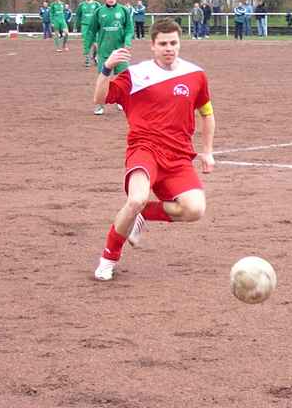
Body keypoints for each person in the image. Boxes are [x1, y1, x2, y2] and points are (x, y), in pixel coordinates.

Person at [91, 17, 216, 281]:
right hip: (144, 149)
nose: (169, 48)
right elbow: (100, 98)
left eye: (173, 43)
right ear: (153, 46)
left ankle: (143, 214)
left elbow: (207, 114)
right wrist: (106, 68)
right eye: (163, 44)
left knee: (195, 210)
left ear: (179, 43)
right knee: (135, 198)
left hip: (179, 156)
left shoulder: (195, 75)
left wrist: (207, 151)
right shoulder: (135, 74)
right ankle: (108, 258)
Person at [88, 0, 134, 116]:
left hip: (120, 51)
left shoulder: (124, 11)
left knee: (122, 78)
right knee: (104, 78)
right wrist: (91, 45)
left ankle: (121, 101)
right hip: (104, 51)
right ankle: (99, 105)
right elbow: (92, 29)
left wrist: (128, 42)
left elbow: (129, 29)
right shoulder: (99, 11)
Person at [74, 0, 100, 67]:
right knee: (86, 43)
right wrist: (76, 26)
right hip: (85, 26)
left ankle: (95, 57)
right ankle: (87, 59)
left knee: (96, 44)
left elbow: (101, 15)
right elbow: (78, 16)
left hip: (94, 26)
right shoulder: (81, 5)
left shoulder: (96, 4)